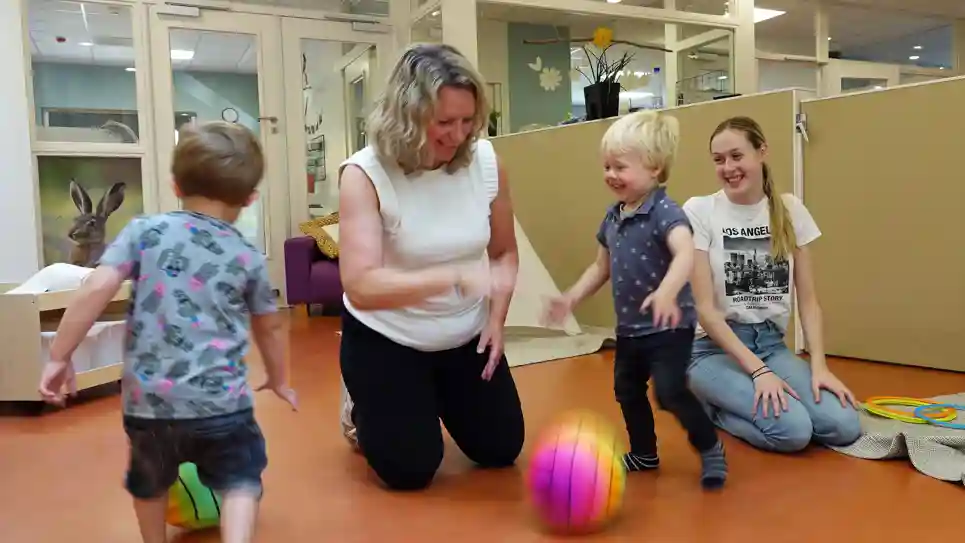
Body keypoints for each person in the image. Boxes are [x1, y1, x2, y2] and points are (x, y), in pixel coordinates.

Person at [38, 121, 298, 543]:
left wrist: (59, 356)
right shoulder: (247, 254)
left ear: (175, 185)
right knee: (240, 479)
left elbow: (96, 288)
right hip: (222, 405)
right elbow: (269, 325)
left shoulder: (144, 232)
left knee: (151, 483)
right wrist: (279, 378)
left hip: (149, 406)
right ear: (250, 198)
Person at [337, 43, 525, 491]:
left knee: (501, 449)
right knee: (410, 470)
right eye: (443, 122)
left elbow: (503, 253)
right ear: (407, 114)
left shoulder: (486, 161)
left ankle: (433, 394)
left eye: (467, 121)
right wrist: (454, 276)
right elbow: (361, 285)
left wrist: (496, 320)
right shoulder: (364, 174)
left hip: (464, 334)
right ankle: (359, 407)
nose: (458, 134)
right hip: (388, 337)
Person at [544, 110, 728, 490]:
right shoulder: (612, 218)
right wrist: (571, 298)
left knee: (669, 391)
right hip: (630, 329)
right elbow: (600, 268)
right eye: (607, 166)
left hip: (669, 327)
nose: (611, 174)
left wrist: (666, 291)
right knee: (627, 390)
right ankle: (644, 452)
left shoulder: (665, 213)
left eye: (621, 167)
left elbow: (684, 254)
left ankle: (709, 447)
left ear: (656, 170)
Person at [682, 116, 862, 453]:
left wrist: (820, 367)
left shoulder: (790, 209)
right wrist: (759, 372)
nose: (728, 167)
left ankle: (734, 399)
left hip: (768, 344)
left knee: (844, 425)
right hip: (709, 351)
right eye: (719, 160)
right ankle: (711, 408)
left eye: (737, 156)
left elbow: (809, 301)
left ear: (761, 151)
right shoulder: (699, 211)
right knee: (792, 431)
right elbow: (705, 311)